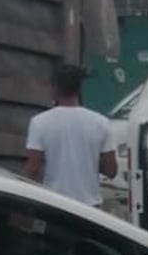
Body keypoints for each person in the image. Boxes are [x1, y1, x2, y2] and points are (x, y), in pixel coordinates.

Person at [25, 62, 117, 206]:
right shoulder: (101, 123)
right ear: (78, 88)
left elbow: (33, 169)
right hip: (90, 209)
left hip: (54, 205)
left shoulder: (39, 122)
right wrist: (88, 159)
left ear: (55, 87)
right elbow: (111, 170)